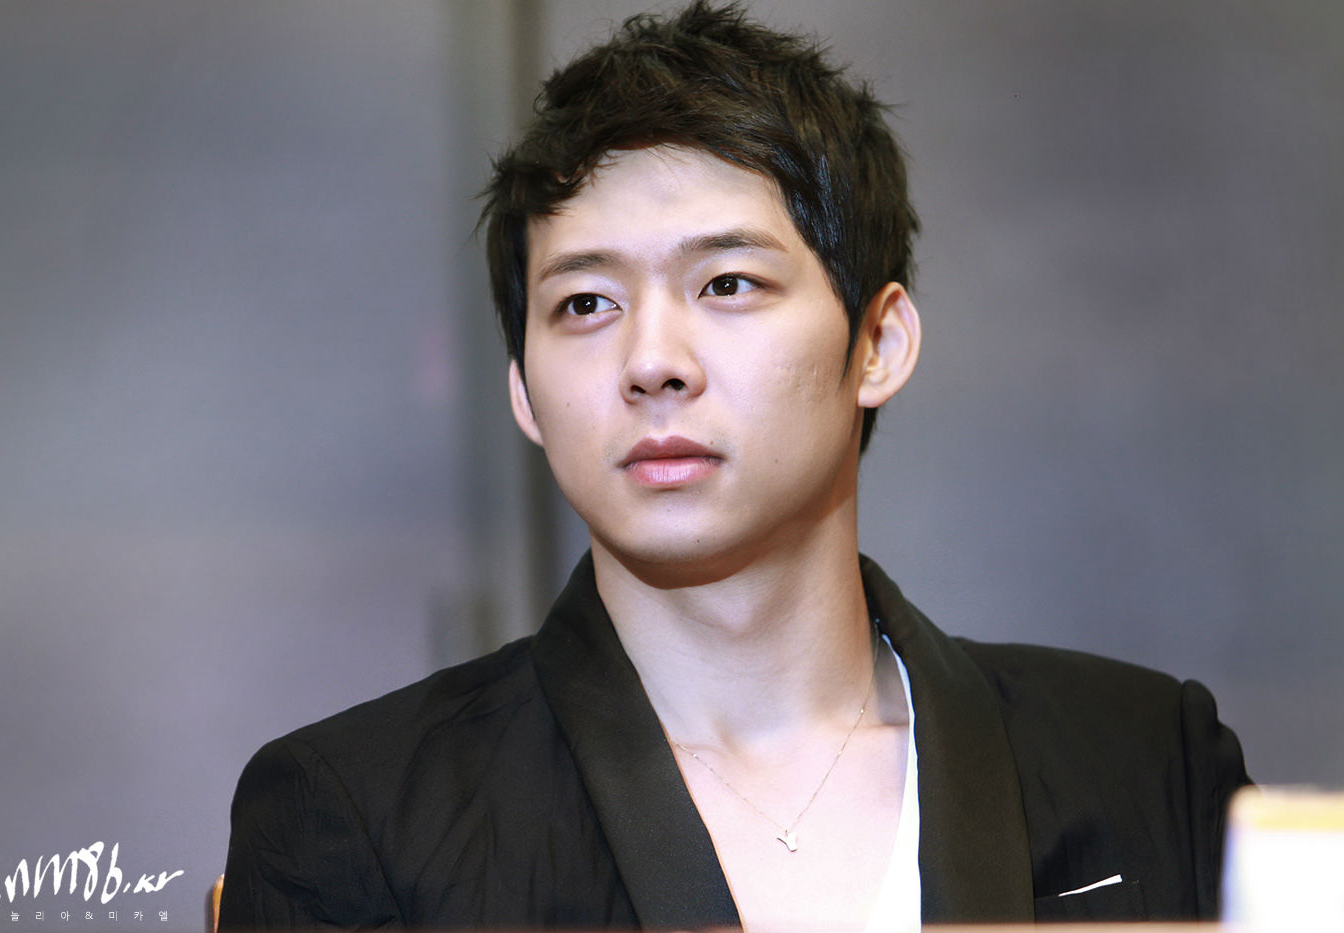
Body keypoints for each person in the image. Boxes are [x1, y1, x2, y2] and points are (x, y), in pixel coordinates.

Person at [218, 3, 1249, 929]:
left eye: (726, 283)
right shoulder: (357, 813)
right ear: (524, 390)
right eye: (585, 303)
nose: (652, 361)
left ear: (878, 344)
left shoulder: (1146, 757)